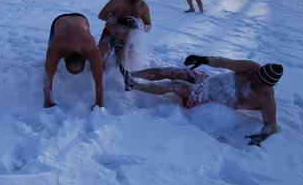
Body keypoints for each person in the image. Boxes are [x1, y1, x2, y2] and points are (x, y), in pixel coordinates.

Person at [120, 55, 284, 146]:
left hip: (206, 98)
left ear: (269, 85)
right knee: (175, 71)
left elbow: (271, 125)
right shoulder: (251, 67)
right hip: (207, 81)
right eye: (256, 76)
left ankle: (133, 85)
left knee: (178, 85)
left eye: (259, 82)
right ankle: (131, 74)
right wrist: (205, 59)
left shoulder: (266, 100)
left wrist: (261, 137)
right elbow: (227, 62)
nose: (254, 80)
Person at [44, 13, 103, 109]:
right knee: (50, 61)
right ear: (64, 58)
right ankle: (51, 63)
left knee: (50, 60)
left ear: (85, 58)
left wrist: (99, 103)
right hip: (60, 20)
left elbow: (99, 80)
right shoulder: (56, 47)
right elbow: (47, 77)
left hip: (81, 19)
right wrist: (47, 101)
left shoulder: (92, 50)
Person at [97, 0, 152, 67]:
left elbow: (148, 26)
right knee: (98, 62)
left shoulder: (143, 7)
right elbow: (101, 15)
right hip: (110, 34)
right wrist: (118, 19)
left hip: (126, 40)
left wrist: (138, 25)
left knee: (124, 65)